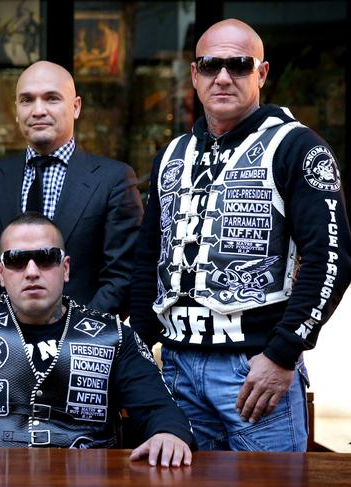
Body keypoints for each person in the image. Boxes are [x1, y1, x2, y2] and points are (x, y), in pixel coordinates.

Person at [129, 18, 351, 451]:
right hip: (176, 367)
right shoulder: (171, 155)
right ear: (194, 75)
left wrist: (283, 352)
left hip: (253, 367)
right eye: (211, 65)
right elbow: (148, 259)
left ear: (262, 74)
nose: (223, 77)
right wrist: (140, 353)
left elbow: (332, 259)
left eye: (239, 65)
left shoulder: (297, 147)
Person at [0, 212, 194, 466]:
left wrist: (167, 433)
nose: (31, 271)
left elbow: (159, 409)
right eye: (17, 260)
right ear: (1, 274)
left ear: (65, 268)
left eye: (45, 258)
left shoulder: (113, 335)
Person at [0, 60, 143, 316]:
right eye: (27, 100)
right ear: (16, 110)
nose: (38, 110)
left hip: (86, 341)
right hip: (6, 342)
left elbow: (122, 274)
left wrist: (81, 334)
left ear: (76, 107)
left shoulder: (113, 179)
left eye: (52, 98)